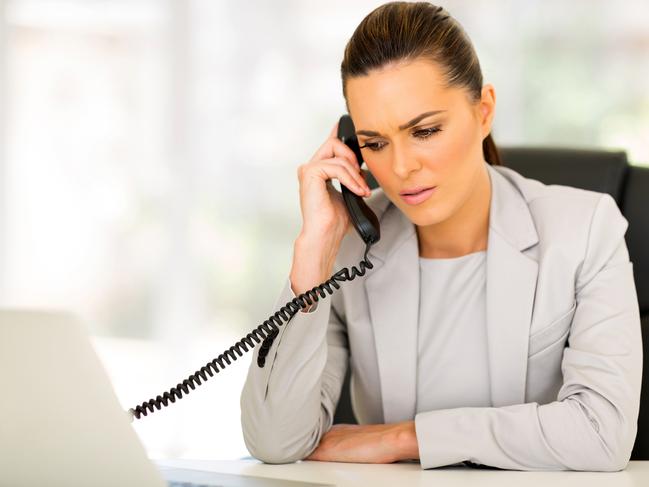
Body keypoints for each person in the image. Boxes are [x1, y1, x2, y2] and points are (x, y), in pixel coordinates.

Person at [240, 1, 642, 471]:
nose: (402, 167)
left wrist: (406, 439)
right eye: (374, 143)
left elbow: (601, 433)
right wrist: (314, 251)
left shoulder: (586, 230)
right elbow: (273, 440)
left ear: (484, 110)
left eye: (425, 130)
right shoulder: (351, 249)